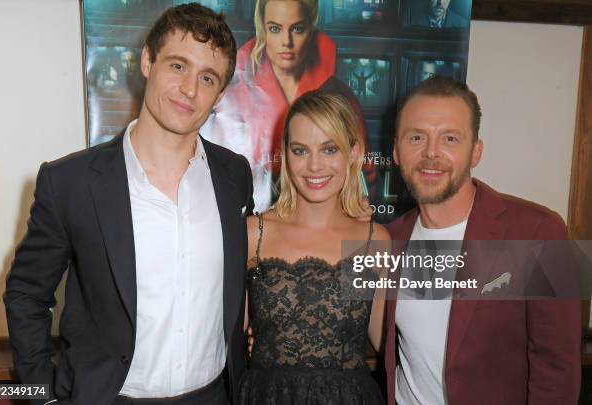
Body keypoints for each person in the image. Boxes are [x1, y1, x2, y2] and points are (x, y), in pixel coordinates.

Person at [4, 4, 253, 405]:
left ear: (220, 93)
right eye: (177, 66)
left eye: (207, 78)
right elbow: (26, 294)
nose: (190, 89)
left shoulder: (234, 176)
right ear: (148, 61)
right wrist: (43, 399)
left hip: (213, 396)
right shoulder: (70, 183)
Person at [385, 76, 581, 404]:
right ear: (396, 150)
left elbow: (557, 369)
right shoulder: (387, 239)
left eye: (450, 138)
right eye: (416, 137)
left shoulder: (538, 232)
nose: (431, 152)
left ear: (475, 151)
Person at [239, 90, 390, 404]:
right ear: (285, 154)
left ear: (353, 153)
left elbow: (385, 341)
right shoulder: (256, 233)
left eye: (329, 148)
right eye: (300, 150)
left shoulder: (374, 239)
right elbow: (227, 337)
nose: (314, 166)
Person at [202, 0, 372, 213]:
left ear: (312, 28)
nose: (287, 42)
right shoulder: (232, 93)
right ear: (262, 29)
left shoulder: (340, 95)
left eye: (297, 29)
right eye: (275, 28)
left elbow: (367, 176)